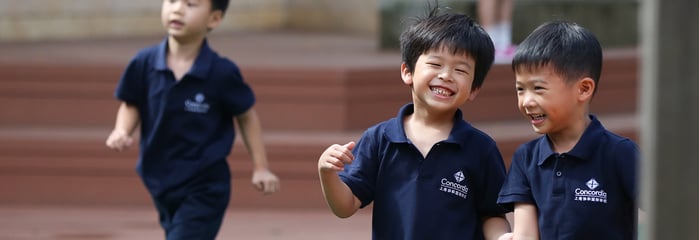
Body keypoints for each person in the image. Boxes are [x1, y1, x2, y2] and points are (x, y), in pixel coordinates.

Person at [317, 5, 510, 240]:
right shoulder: (380, 139)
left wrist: (501, 238)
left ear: (474, 89)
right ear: (407, 72)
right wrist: (327, 173)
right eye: (436, 64)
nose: (446, 75)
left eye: (460, 70)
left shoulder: (481, 148)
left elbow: (493, 214)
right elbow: (345, 206)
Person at [105, 0, 280, 239]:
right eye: (171, 1)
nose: (177, 9)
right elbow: (131, 103)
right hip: (159, 178)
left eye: (190, 4)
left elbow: (246, 116)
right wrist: (122, 130)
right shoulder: (143, 63)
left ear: (214, 19)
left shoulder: (221, 72)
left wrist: (261, 168)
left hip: (205, 184)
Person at [497, 21, 639, 240]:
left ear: (583, 89)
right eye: (520, 89)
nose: (526, 101)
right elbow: (526, 234)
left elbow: (668, 214)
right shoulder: (525, 158)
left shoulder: (620, 153)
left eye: (538, 89)